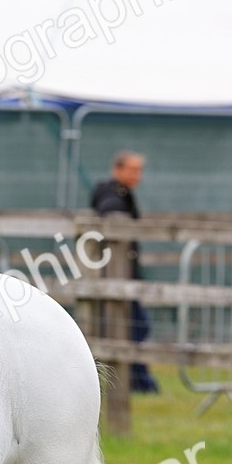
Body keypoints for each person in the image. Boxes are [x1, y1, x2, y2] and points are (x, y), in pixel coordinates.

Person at [90, 150, 160, 393]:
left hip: (121, 272)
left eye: (139, 171)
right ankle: (138, 382)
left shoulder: (122, 193)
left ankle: (138, 382)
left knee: (129, 328)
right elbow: (110, 213)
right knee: (134, 326)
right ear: (117, 170)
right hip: (115, 273)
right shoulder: (113, 194)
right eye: (132, 170)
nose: (136, 176)